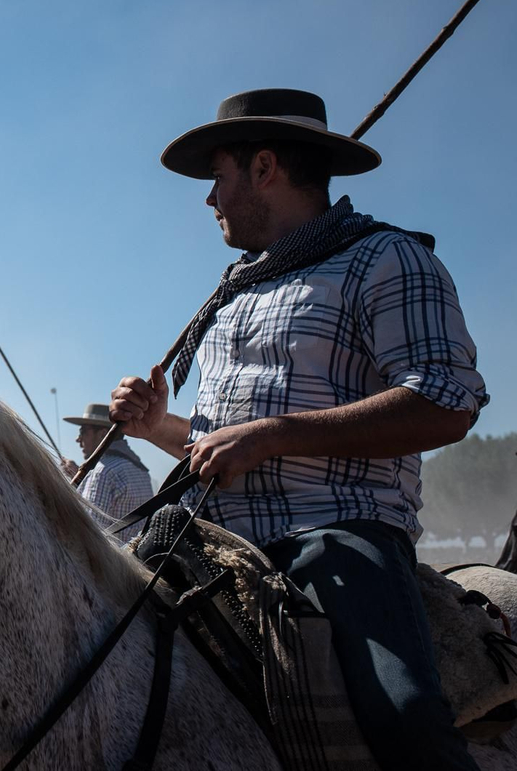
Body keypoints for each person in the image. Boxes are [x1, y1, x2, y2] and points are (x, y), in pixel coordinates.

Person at [108, 87, 486, 771]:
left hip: (333, 534)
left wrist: (274, 434)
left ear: (263, 169)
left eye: (217, 177)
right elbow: (219, 450)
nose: (208, 199)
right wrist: (157, 424)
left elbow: (447, 402)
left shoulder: (386, 259)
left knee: (400, 718)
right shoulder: (232, 293)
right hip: (205, 536)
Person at [60, 403, 150, 537]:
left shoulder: (102, 473)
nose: (78, 439)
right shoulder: (141, 470)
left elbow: (86, 535)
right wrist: (79, 474)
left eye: (83, 431)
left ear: (103, 434)